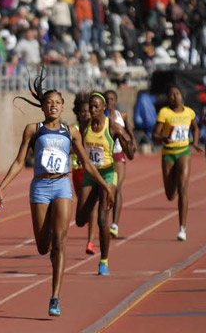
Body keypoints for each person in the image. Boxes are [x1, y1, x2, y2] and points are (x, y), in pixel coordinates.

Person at [0, 71, 114, 317]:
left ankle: (55, 297)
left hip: (62, 186)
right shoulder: (33, 130)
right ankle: (51, 255)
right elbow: (18, 162)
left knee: (60, 243)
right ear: (43, 107)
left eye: (58, 103)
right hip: (40, 187)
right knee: (42, 246)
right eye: (49, 103)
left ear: (63, 106)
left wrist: (105, 185)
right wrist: (1, 188)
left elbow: (87, 163)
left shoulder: (72, 131)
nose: (54, 106)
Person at [75, 92, 135, 276]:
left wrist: (126, 142)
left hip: (108, 173)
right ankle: (92, 201)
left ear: (103, 108)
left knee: (102, 219)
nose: (91, 111)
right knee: (79, 220)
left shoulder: (113, 127)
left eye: (95, 107)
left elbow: (131, 154)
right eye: (89, 107)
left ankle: (103, 261)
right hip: (90, 175)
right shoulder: (84, 126)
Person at [152, 85, 201, 241]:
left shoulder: (189, 112)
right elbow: (155, 135)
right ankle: (181, 225)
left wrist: (195, 142)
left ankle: (182, 229)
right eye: (171, 95)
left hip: (183, 151)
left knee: (183, 187)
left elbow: (195, 128)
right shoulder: (164, 113)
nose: (175, 97)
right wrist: (162, 139)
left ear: (182, 96)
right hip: (168, 154)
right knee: (170, 194)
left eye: (177, 93)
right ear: (168, 98)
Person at [104, 90, 136, 238]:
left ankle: (115, 225)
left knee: (117, 187)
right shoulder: (99, 116)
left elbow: (129, 131)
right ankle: (103, 219)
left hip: (118, 154)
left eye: (111, 99)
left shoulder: (121, 115)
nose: (109, 101)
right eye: (107, 99)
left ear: (115, 101)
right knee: (105, 191)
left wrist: (133, 144)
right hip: (104, 156)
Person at [71, 93, 98, 255]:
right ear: (78, 112)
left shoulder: (96, 127)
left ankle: (90, 242)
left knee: (93, 205)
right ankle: (91, 225)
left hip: (93, 170)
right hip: (77, 171)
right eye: (82, 111)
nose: (86, 113)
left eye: (88, 110)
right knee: (83, 209)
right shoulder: (72, 128)